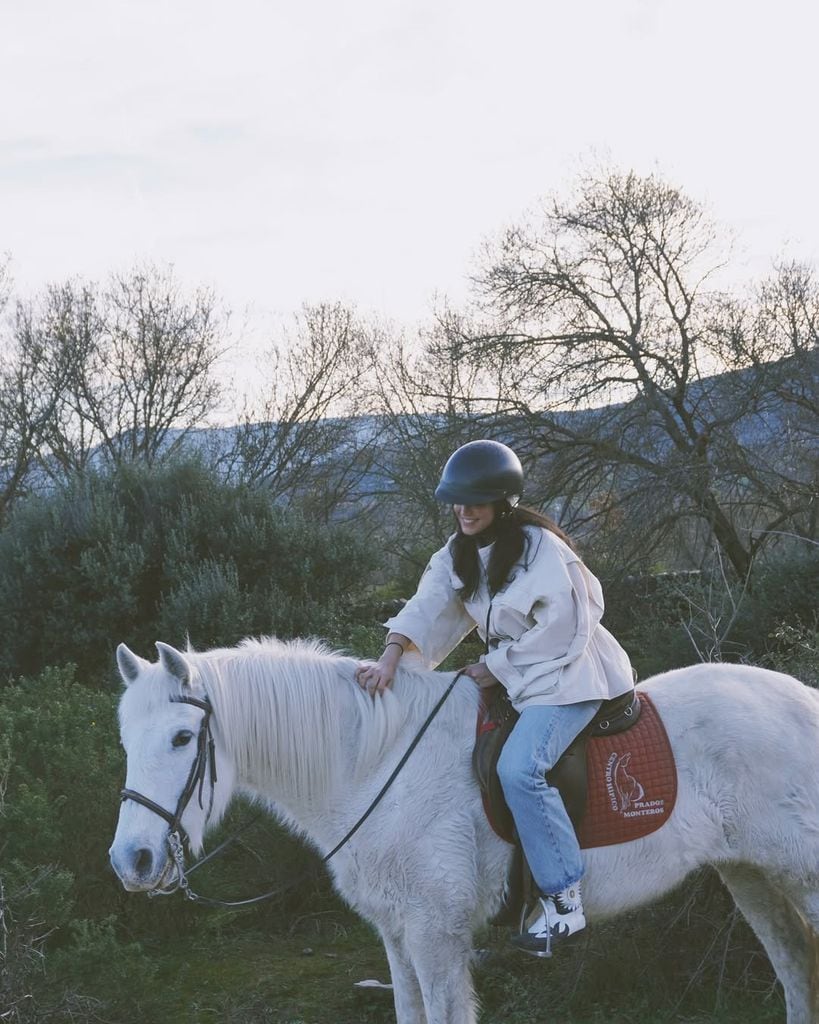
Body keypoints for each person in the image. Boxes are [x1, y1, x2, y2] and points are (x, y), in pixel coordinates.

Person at [355, 439, 635, 955]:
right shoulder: (458, 552)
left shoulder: (541, 549)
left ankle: (565, 899)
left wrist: (495, 665)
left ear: (502, 502)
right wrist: (391, 656)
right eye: (458, 501)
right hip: (515, 674)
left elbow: (566, 627)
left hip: (569, 674)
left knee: (519, 769)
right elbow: (427, 606)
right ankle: (503, 887)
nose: (464, 510)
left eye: (475, 500)